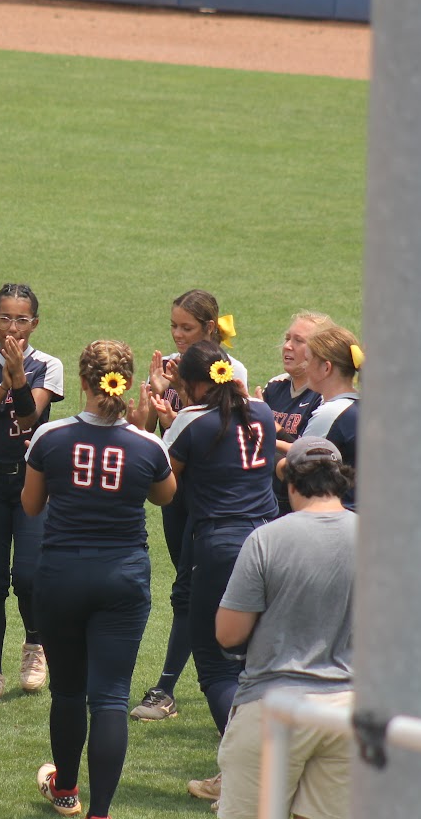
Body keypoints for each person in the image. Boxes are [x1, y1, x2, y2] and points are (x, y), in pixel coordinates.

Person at [23, 340, 177, 819]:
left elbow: (31, 506)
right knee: (109, 697)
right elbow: (165, 497)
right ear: (126, 383)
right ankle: (101, 813)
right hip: (122, 579)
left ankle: (66, 790)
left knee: (67, 692)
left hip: (62, 576)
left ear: (85, 383)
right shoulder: (146, 445)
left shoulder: (49, 437)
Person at [150, 341, 276, 803]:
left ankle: (248, 770)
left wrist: (157, 423)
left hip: (221, 546)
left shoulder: (189, 422)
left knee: (214, 660)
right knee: (256, 659)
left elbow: (160, 485)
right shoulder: (260, 412)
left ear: (193, 383)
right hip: (269, 539)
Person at [214, 436, 356, 819]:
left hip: (273, 707)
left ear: (290, 483)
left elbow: (229, 634)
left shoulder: (267, 539)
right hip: (349, 712)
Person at [131, 289, 246, 723]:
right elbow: (172, 435)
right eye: (174, 326)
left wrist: (175, 399)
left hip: (208, 500)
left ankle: (167, 687)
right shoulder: (173, 368)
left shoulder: (230, 371)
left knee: (188, 590)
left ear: (210, 329)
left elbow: (217, 427)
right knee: (187, 585)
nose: (178, 335)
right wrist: (162, 409)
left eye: (188, 328)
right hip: (177, 492)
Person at [0, 283, 64, 702]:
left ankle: (35, 647)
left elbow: (31, 414)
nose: (13, 328)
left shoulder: (48, 366)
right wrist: (3, 384)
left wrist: (17, 378)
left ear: (34, 323)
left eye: (22, 320)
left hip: (31, 480)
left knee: (28, 575)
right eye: (5, 318)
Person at [257, 311, 330, 518]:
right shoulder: (274, 385)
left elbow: (311, 455)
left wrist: (269, 431)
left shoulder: (324, 397)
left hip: (301, 504)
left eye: (299, 341)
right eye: (288, 338)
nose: (287, 346)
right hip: (266, 496)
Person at [294, 324, 362, 510]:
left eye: (307, 360)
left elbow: (297, 468)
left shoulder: (331, 413)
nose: (303, 366)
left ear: (326, 368)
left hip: (340, 519)